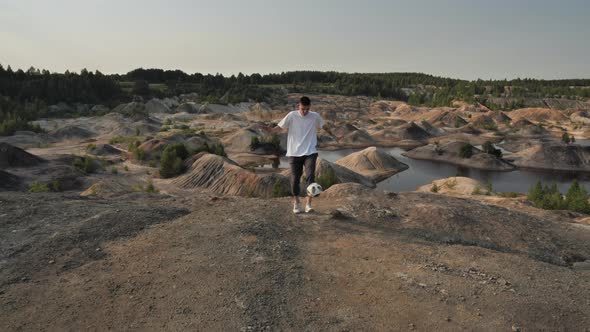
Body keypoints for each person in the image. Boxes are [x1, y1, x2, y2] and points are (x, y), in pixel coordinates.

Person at [264, 96, 340, 214]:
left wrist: (334, 136)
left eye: (307, 109)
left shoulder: (315, 116)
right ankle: (296, 202)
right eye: (303, 109)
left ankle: (308, 204)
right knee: (295, 180)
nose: (305, 112)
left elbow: (324, 126)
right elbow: (279, 127)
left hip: (310, 152)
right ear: (298, 106)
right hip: (294, 153)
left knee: (310, 178)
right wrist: (271, 130)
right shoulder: (291, 115)